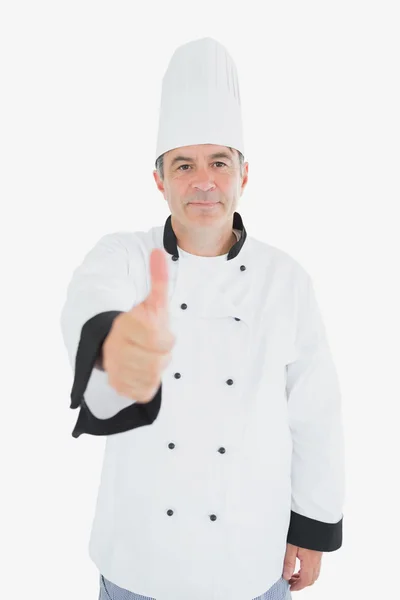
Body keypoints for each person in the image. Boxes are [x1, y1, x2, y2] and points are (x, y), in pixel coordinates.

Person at [60, 37, 345, 600]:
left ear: (244, 173)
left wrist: (312, 527)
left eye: (219, 161)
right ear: (159, 179)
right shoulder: (122, 256)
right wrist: (114, 342)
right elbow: (89, 300)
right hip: (137, 562)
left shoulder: (285, 279)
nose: (204, 181)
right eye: (183, 165)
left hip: (250, 558)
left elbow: (315, 413)